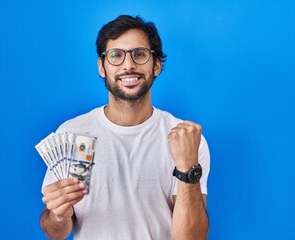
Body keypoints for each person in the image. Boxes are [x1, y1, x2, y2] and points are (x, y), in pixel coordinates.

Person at [40, 15, 210, 240]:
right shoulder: (75, 135)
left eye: (139, 55)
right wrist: (58, 216)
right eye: (115, 56)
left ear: (157, 65)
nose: (128, 65)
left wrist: (188, 168)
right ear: (102, 67)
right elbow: (56, 232)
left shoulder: (184, 138)